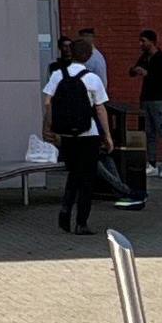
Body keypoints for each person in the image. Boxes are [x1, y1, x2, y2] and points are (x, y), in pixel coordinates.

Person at [41, 40, 141, 232]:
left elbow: (48, 103)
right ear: (88, 56)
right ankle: (81, 223)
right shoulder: (92, 79)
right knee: (87, 179)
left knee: (73, 174)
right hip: (88, 133)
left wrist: (48, 127)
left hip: (66, 134)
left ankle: (65, 208)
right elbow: (100, 109)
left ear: (71, 53)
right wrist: (108, 136)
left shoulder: (57, 75)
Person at [130, 29, 162, 178]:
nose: (141, 44)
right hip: (145, 98)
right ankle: (151, 163)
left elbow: (161, 79)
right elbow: (132, 71)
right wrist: (135, 70)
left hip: (157, 99)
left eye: (143, 41)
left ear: (151, 42)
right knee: (149, 132)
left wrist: (147, 74)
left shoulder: (161, 58)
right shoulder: (145, 57)